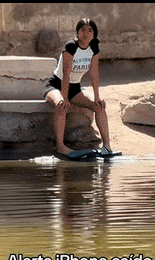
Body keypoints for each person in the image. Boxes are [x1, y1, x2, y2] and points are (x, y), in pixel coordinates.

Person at [43, 18, 114, 157]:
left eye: (89, 30)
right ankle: (61, 147)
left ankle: (107, 146)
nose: (85, 33)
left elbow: (94, 74)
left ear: (94, 34)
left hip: (75, 88)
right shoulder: (70, 46)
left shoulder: (94, 47)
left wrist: (98, 97)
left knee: (99, 105)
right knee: (61, 105)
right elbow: (66, 74)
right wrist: (64, 98)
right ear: (77, 33)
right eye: (82, 30)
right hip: (56, 85)